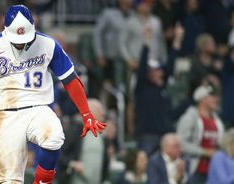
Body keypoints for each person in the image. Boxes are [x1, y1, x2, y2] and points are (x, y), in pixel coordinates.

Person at [0, 5, 106, 184]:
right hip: (7, 114)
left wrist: (86, 113)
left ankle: (41, 182)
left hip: (39, 107)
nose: (21, 41)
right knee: (10, 178)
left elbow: (71, 80)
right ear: (6, 29)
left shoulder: (48, 44)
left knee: (54, 135)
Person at [135, 23, 184, 154]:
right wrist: (146, 42)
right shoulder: (142, 87)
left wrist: (177, 40)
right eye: (154, 71)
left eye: (159, 70)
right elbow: (141, 67)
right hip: (148, 135)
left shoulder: (162, 89)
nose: (158, 73)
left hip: (165, 135)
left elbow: (170, 65)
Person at [176, 84, 225, 183]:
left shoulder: (217, 120)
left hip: (215, 170)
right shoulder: (189, 118)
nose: (216, 99)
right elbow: (180, 144)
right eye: (212, 96)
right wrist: (205, 152)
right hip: (195, 169)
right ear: (202, 99)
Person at [57, 99, 107, 184]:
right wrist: (72, 163)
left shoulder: (102, 135)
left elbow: (105, 162)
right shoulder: (74, 131)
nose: (102, 114)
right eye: (99, 111)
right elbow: (59, 153)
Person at [93, 0, 133, 87]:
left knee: (127, 85)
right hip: (110, 57)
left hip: (127, 58)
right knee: (108, 85)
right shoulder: (108, 13)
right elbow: (98, 33)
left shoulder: (132, 15)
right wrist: (99, 53)